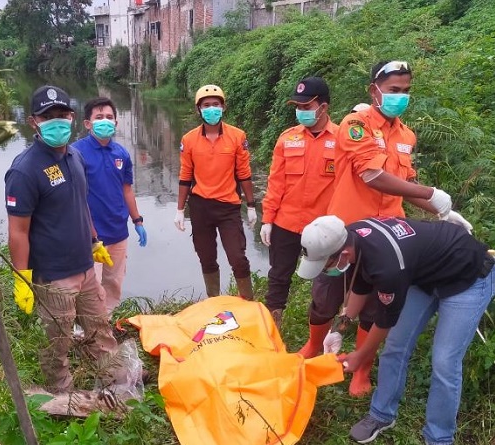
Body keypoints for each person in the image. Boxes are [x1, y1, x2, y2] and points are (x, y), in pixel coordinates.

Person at [297, 61, 472, 398]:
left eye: (405, 91)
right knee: (325, 296)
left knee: (376, 305)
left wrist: (442, 210)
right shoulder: (355, 125)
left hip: (389, 235)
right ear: (374, 90)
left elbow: (404, 184)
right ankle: (313, 344)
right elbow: (371, 175)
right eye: (393, 90)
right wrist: (430, 193)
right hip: (345, 232)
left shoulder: (407, 136)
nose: (400, 97)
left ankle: (361, 368)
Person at [296, 215, 495, 445]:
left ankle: (439, 438)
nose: (325, 271)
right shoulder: (350, 238)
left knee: (445, 361)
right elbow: (361, 285)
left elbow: (384, 321)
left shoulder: (388, 267)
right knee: (395, 346)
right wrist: (340, 328)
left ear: (343, 254)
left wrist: (360, 356)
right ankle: (381, 415)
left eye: (325, 266)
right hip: (426, 276)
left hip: (468, 277)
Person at [5, 85, 120, 394]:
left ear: (72, 117)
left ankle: (116, 377)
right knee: (58, 341)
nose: (56, 121)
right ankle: (62, 394)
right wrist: (21, 278)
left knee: (100, 328)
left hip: (85, 267)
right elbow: (18, 231)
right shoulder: (25, 170)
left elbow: (81, 203)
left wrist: (94, 240)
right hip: (54, 276)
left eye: (62, 114)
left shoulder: (75, 156)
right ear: (33, 122)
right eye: (48, 116)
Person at [259, 76, 339, 331]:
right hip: (287, 222)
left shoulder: (343, 140)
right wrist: (268, 219)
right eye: (298, 107)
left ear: (323, 107)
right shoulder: (287, 138)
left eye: (306, 106)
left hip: (324, 226)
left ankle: (326, 327)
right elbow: (276, 182)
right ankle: (273, 325)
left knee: (329, 279)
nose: (301, 111)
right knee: (278, 276)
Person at [174, 84, 257, 299]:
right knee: (207, 258)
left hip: (228, 206)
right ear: (198, 110)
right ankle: (214, 301)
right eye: (206, 105)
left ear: (223, 107)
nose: (212, 109)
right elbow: (185, 175)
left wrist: (251, 205)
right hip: (200, 206)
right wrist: (180, 210)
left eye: (216, 104)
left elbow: (244, 173)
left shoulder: (237, 136)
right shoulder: (189, 139)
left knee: (238, 257)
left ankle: (247, 300)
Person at [72, 97, 147, 315]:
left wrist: (137, 220)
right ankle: (86, 326)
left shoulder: (121, 154)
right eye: (99, 117)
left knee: (113, 282)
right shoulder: (75, 153)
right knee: (89, 286)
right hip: (89, 235)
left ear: (116, 122)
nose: (105, 121)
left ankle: (107, 320)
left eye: (109, 117)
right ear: (88, 123)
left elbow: (127, 190)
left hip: (118, 230)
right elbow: (72, 196)